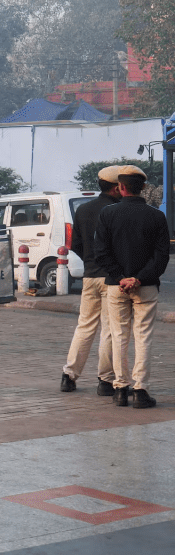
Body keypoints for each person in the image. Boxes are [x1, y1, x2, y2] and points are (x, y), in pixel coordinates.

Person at [94, 165, 170, 409]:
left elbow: (101, 253)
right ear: (144, 188)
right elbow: (161, 257)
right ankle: (140, 390)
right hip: (146, 287)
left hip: (116, 287)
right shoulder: (157, 216)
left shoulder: (107, 214)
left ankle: (120, 388)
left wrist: (120, 277)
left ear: (120, 187)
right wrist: (138, 279)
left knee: (118, 337)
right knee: (143, 338)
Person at [59, 166, 122, 394]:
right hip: (110, 278)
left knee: (84, 327)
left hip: (89, 276)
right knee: (109, 329)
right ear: (116, 188)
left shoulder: (83, 210)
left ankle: (69, 375)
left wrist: (89, 259)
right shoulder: (116, 210)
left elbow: (75, 244)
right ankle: (105, 381)